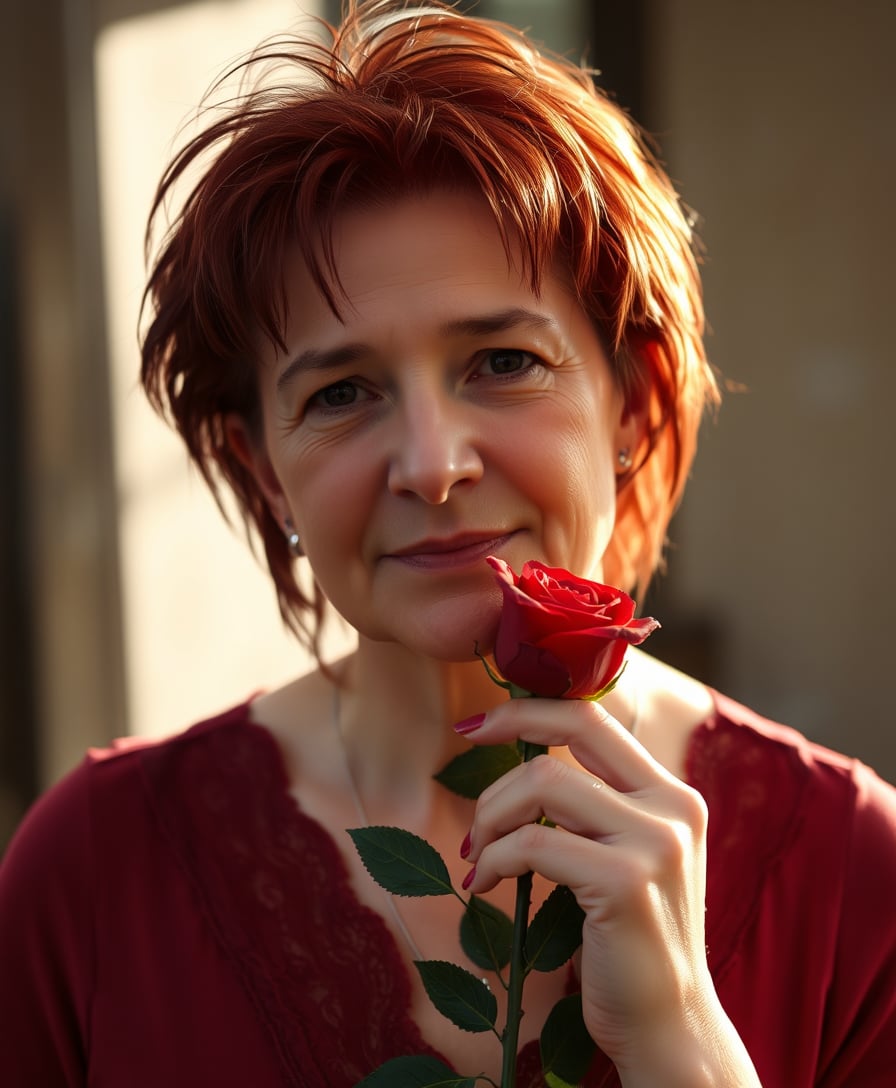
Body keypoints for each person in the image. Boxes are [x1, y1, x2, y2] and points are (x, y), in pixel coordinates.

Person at [1, 2, 894, 1085]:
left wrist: (682, 1048)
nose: (430, 463)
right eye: (340, 391)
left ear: (631, 403)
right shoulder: (90, 875)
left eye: (502, 362)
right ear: (258, 465)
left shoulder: (856, 872)